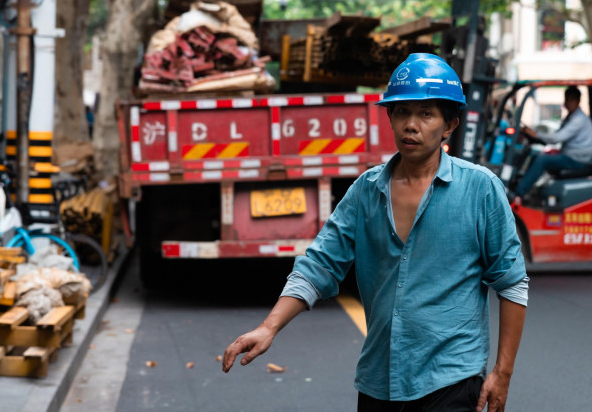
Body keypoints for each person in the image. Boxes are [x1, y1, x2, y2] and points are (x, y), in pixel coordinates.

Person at [222, 53, 529, 412]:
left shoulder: (480, 189)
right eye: (401, 112)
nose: (411, 125)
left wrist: (502, 373)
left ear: (450, 125)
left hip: (452, 380)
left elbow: (511, 283)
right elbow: (319, 265)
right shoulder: (366, 191)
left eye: (426, 114)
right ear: (390, 117)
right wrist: (268, 327)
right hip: (380, 382)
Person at [514, 85, 592, 198]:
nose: (567, 103)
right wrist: (537, 135)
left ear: (578, 101)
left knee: (542, 160)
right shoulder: (571, 117)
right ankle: (524, 187)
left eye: (571, 99)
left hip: (577, 160)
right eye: (566, 99)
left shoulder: (579, 119)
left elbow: (556, 138)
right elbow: (555, 135)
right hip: (571, 155)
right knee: (536, 155)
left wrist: (536, 134)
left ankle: (518, 193)